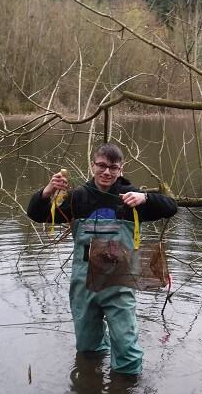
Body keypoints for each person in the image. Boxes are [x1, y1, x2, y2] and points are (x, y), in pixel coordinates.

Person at [27, 143, 177, 375]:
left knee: (126, 347)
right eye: (102, 166)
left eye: (113, 168)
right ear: (92, 165)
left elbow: (171, 207)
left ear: (121, 169)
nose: (107, 172)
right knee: (87, 346)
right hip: (83, 282)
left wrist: (146, 197)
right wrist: (47, 191)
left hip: (119, 282)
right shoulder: (76, 199)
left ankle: (126, 393)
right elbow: (37, 214)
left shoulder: (130, 198)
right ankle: (90, 382)